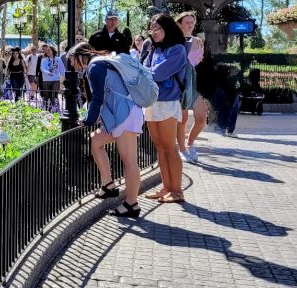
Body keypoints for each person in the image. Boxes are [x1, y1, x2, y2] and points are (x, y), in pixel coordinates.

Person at [68, 42, 145, 218]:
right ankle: (108, 185)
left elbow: (97, 98)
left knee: (130, 161)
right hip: (123, 114)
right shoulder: (102, 61)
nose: (72, 65)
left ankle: (132, 204)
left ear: (79, 55)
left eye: (71, 60)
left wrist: (88, 120)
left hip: (124, 115)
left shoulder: (95, 66)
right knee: (95, 141)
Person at [141, 14, 188, 204]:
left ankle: (177, 191)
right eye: (152, 29)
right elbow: (144, 70)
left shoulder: (177, 50)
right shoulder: (153, 49)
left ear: (167, 28)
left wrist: (145, 72)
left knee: (170, 147)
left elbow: (157, 73)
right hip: (152, 102)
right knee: (160, 148)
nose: (154, 32)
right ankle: (166, 187)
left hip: (168, 102)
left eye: (158, 28)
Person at [175, 12, 208, 161]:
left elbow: (201, 64)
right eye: (187, 21)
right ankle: (182, 149)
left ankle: (190, 143)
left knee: (201, 118)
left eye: (192, 22)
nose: (190, 24)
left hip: (195, 84)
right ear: (180, 24)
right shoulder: (175, 41)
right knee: (182, 120)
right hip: (181, 84)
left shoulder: (199, 41)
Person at [212, 62, 242, 136]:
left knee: (224, 110)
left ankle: (223, 128)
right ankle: (226, 129)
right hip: (228, 92)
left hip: (227, 91)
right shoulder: (227, 75)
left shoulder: (219, 74)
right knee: (228, 110)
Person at [38, 42, 65, 111]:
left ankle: (56, 110)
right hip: (46, 80)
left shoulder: (58, 59)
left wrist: (64, 78)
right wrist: (48, 73)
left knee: (54, 96)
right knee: (46, 96)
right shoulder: (44, 60)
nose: (47, 52)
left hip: (56, 80)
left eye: (49, 50)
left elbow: (62, 70)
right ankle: (46, 110)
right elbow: (42, 68)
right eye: (46, 51)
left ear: (53, 51)